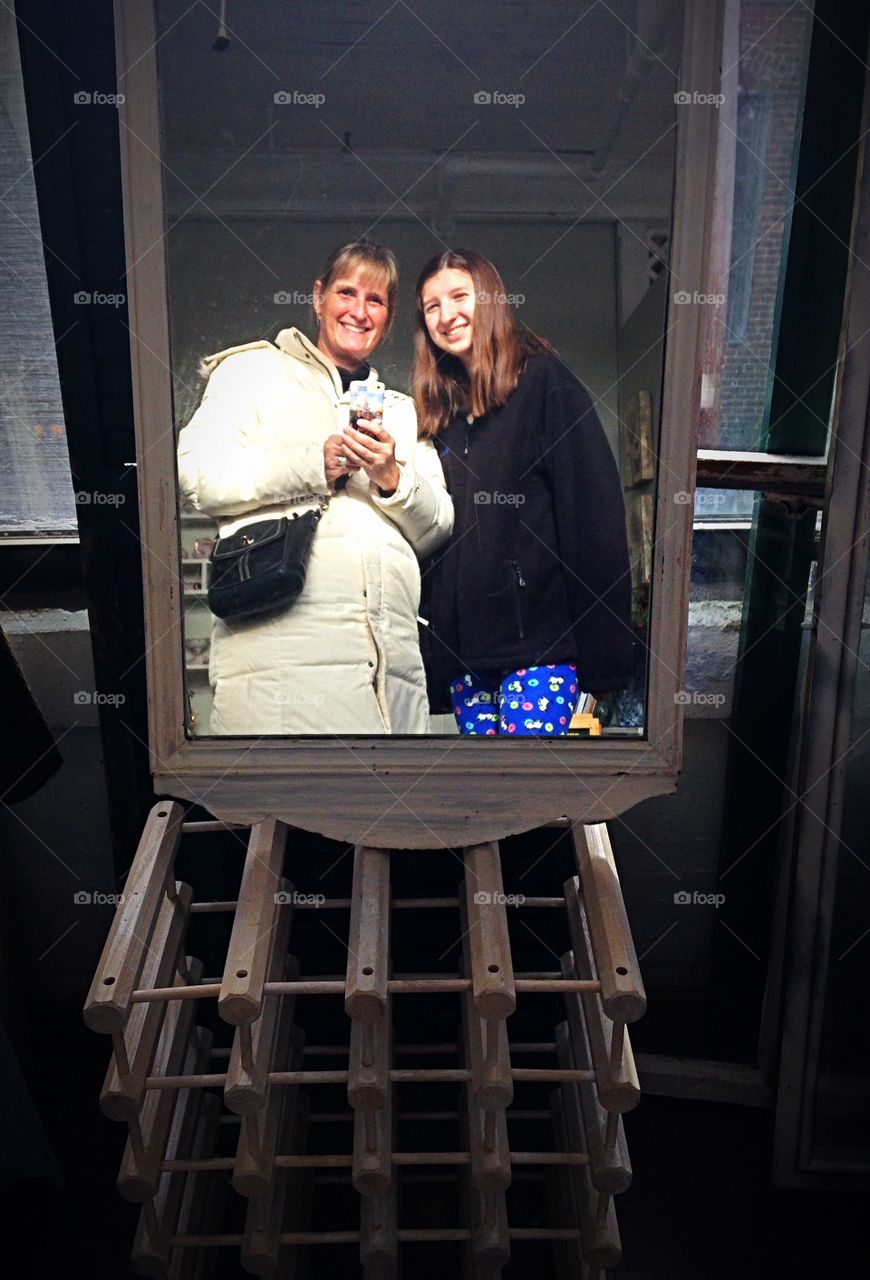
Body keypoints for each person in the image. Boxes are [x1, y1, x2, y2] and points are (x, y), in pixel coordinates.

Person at [177, 240, 453, 734]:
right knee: (288, 811)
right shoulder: (255, 371)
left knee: (389, 811)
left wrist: (393, 479)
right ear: (318, 297)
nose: (360, 311)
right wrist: (311, 464)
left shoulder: (403, 411)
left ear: (387, 319)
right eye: (347, 292)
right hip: (280, 679)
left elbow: (438, 528)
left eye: (376, 300)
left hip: (393, 684)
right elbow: (197, 475)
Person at [413, 249, 633, 736]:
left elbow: (593, 517)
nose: (446, 316)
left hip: (542, 649)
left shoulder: (545, 382)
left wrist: (606, 660)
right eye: (431, 307)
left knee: (533, 804)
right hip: (467, 659)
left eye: (458, 297)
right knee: (485, 807)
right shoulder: (440, 414)